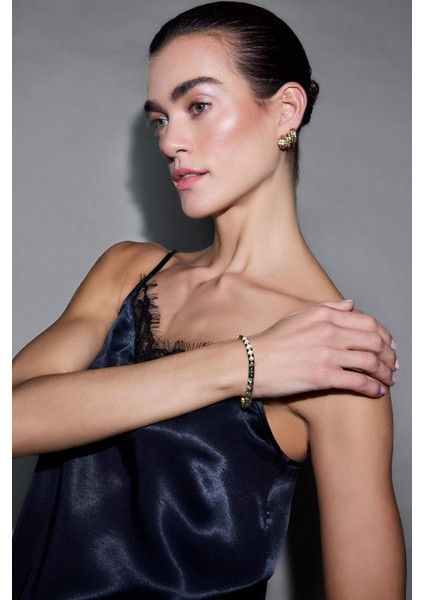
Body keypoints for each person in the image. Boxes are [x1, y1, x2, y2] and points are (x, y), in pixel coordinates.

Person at [12, 2, 406, 598]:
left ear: (286, 110)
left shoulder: (334, 356)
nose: (171, 141)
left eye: (197, 105)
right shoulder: (128, 271)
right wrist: (243, 362)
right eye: (159, 119)